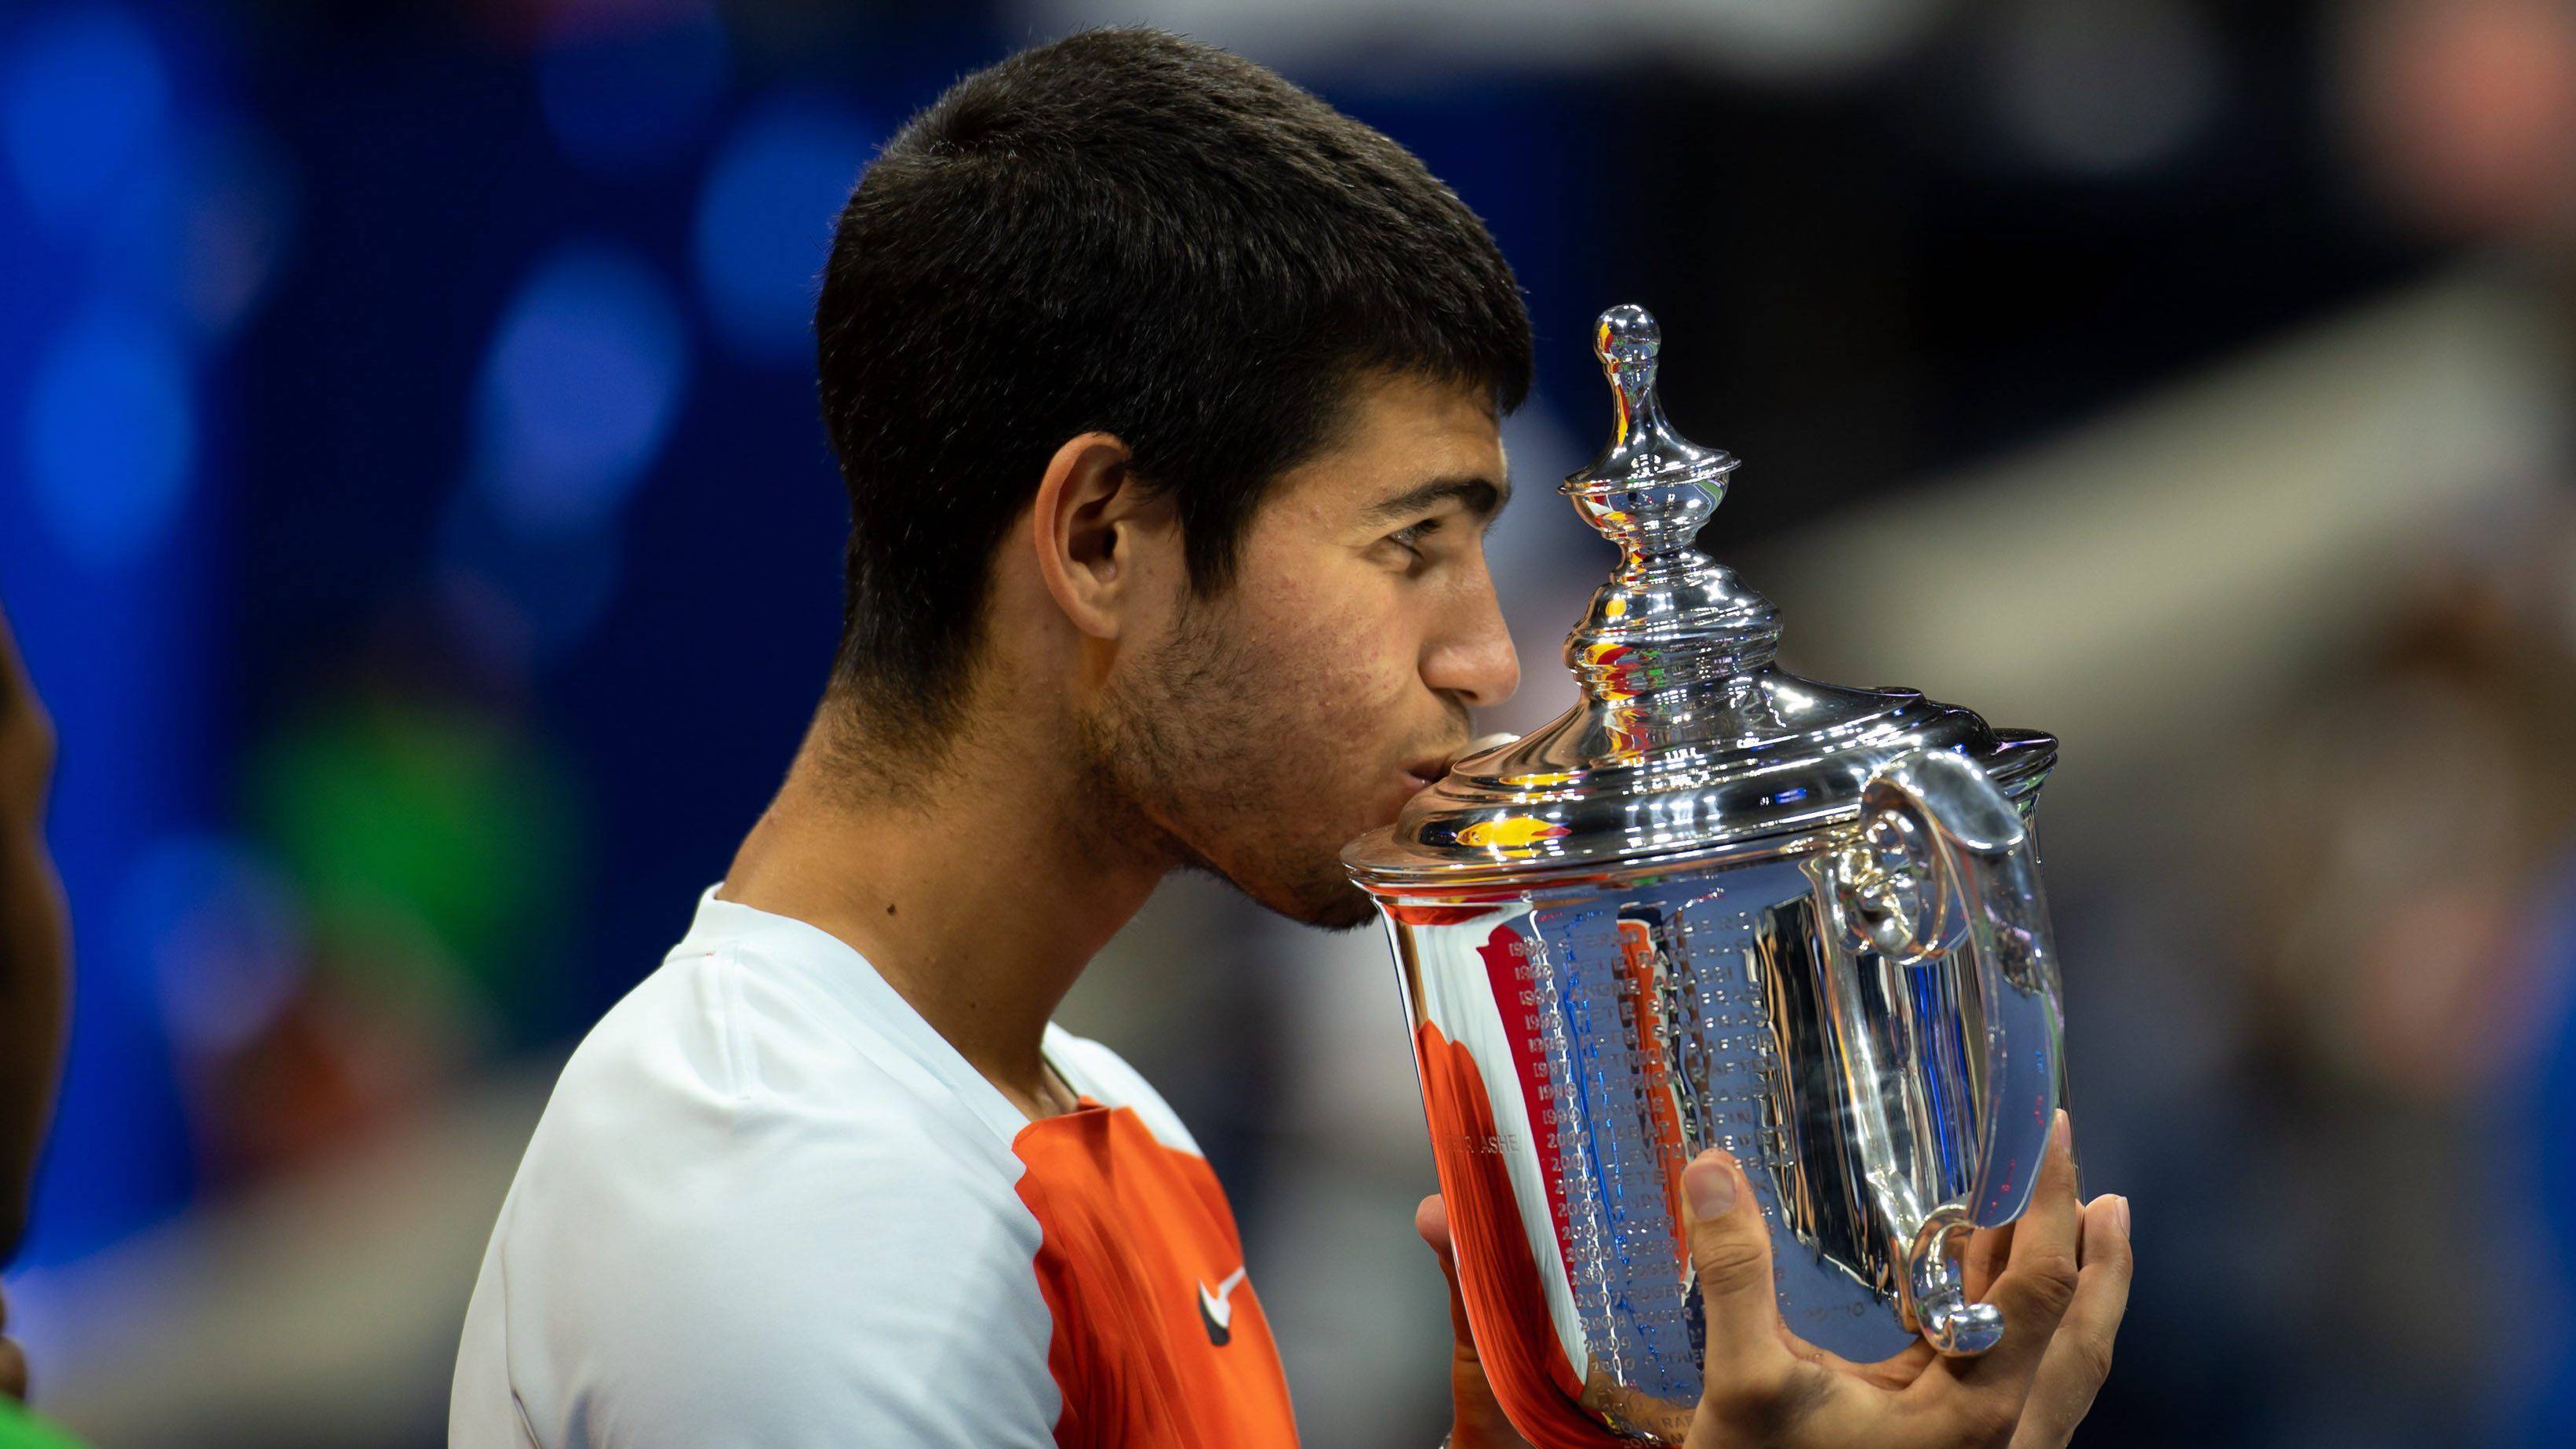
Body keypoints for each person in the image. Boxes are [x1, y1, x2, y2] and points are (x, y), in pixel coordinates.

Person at [449, 27, 2130, 1449]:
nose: (1487, 659)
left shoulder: (1098, 1125)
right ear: (1102, 538)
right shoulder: (801, 1218)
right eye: (1412, 546)